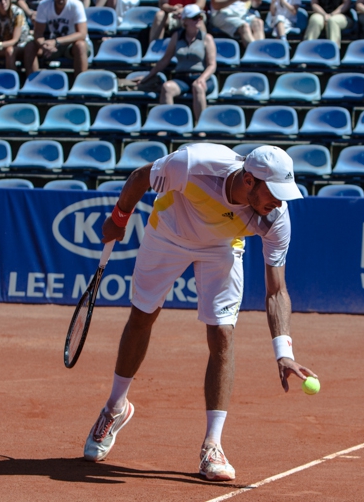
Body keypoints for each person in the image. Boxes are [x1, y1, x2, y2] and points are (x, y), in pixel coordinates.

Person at [82, 143, 317, 483]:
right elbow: (139, 178)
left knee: (222, 333)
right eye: (275, 193)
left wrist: (284, 353)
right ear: (249, 181)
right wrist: (119, 217)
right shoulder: (194, 164)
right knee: (143, 316)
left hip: (222, 247)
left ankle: (212, 445)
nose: (279, 203)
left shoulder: (275, 218)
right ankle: (115, 407)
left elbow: (276, 290)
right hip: (169, 233)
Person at [136, 4, 217, 122]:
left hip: (201, 77)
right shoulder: (177, 37)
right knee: (167, 88)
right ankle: (168, 123)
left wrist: (203, 78)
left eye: (200, 17)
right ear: (185, 21)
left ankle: (201, 126)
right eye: (195, 18)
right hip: (182, 78)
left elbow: (212, 64)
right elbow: (165, 60)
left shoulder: (207, 38)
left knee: (197, 87)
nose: (199, 20)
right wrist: (147, 77)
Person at [23, 0, 90, 76]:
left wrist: (56, 41)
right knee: (30, 46)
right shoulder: (44, 5)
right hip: (53, 45)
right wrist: (43, 45)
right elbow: (38, 33)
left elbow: (82, 34)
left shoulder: (76, 5)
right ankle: (33, 84)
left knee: (80, 45)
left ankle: (81, 86)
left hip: (71, 45)